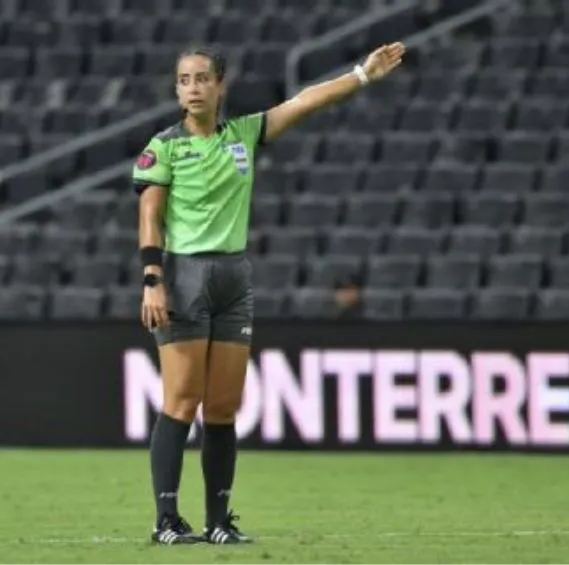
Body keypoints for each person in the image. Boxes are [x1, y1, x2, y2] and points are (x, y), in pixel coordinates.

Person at [132, 42, 406, 545]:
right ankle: (166, 519)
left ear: (220, 85)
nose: (192, 88)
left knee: (222, 406)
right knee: (181, 399)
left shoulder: (244, 134)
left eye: (201, 79)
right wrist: (152, 278)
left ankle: (217, 521)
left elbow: (304, 102)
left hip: (234, 279)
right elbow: (149, 214)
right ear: (177, 89)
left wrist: (362, 77)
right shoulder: (164, 146)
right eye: (184, 80)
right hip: (184, 275)